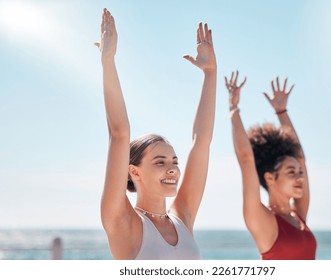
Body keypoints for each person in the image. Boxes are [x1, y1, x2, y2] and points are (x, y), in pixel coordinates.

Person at [95, 8, 217, 260]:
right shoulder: (122, 222)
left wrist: (210, 74)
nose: (172, 169)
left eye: (174, 161)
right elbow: (119, 133)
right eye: (160, 162)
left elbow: (201, 142)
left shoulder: (182, 217)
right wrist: (108, 61)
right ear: (134, 171)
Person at [225, 72, 316, 260]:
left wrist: (282, 113)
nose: (300, 177)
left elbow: (300, 158)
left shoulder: (298, 215)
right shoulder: (262, 220)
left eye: (299, 172)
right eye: (291, 172)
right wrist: (233, 108)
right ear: (269, 177)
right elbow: (246, 160)